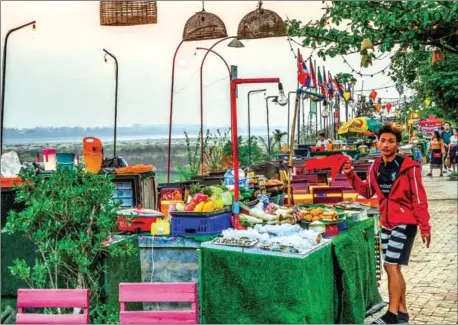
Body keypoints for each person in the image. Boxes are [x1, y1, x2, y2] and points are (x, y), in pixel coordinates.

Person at [342, 124, 431, 324]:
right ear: (377, 142)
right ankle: (402, 312)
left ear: (397, 145)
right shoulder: (375, 166)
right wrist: (350, 174)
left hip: (406, 222)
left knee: (391, 266)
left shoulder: (409, 167)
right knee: (393, 267)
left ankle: (391, 315)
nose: (386, 144)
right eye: (383, 140)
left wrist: (425, 227)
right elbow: (366, 191)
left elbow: (419, 198)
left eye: (391, 141)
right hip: (387, 222)